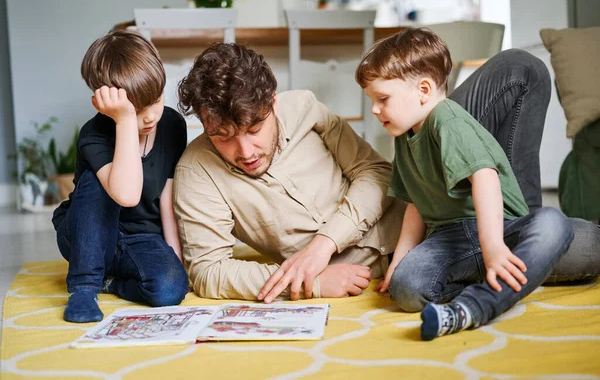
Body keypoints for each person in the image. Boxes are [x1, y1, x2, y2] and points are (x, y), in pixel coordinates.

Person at [173, 42, 600, 304]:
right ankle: (519, 230)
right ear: (204, 125)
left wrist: (325, 243)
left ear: (271, 101)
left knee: (519, 68)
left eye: (254, 129)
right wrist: (314, 282)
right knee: (585, 248)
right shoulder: (197, 171)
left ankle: (514, 219)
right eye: (223, 135)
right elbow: (209, 272)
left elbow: (377, 173)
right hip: (432, 245)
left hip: (425, 180)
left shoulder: (302, 106)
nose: (244, 150)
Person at [356, 28, 574, 341]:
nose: (375, 109)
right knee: (406, 290)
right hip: (450, 238)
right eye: (372, 100)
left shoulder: (448, 120)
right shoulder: (403, 136)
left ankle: (471, 308)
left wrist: (494, 246)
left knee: (554, 225)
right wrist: (400, 261)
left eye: (383, 99)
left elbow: (485, 177)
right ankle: (492, 280)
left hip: (503, 226)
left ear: (424, 89)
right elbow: (415, 204)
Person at [52, 30, 189, 323]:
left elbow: (167, 195)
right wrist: (124, 120)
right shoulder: (94, 134)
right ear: (105, 105)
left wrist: (174, 255)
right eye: (138, 110)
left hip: (139, 237)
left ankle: (109, 282)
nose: (151, 116)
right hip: (86, 236)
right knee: (98, 180)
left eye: (155, 100)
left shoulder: (172, 125)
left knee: (170, 289)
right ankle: (84, 286)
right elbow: (126, 193)